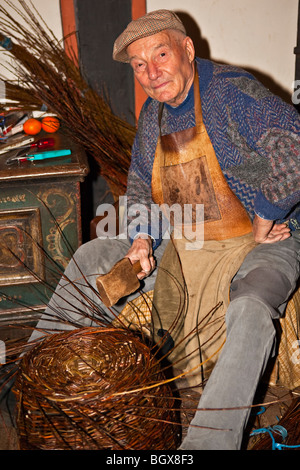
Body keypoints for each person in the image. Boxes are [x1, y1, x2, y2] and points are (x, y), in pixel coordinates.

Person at [31, 10, 299, 450]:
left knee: (251, 305)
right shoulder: (152, 118)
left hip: (268, 235)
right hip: (190, 241)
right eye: (139, 65)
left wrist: (268, 211)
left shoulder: (230, 92)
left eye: (160, 54)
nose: (151, 73)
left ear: (187, 50)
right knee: (92, 258)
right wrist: (141, 240)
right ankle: (39, 387)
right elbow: (141, 190)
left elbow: (294, 145)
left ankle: (208, 444)